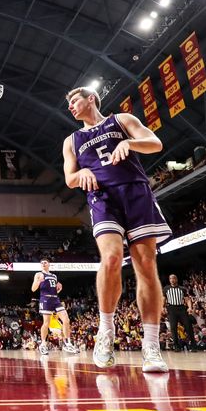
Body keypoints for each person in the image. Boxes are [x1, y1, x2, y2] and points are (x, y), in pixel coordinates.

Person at [62, 87, 172, 373]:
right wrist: (80, 175)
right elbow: (70, 178)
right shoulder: (71, 140)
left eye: (74, 100)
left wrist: (132, 145)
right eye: (69, 104)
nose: (71, 106)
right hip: (102, 198)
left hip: (136, 192)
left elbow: (155, 142)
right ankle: (106, 330)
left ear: (91, 99)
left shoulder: (121, 120)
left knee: (146, 264)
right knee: (111, 258)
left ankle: (151, 346)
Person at [31, 259, 79, 355]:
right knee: (46, 323)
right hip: (45, 299)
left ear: (49, 264)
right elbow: (33, 289)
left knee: (66, 320)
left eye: (45, 262)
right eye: (42, 263)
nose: (43, 264)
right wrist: (38, 281)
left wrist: (59, 289)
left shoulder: (54, 276)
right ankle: (43, 344)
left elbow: (53, 291)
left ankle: (68, 343)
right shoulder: (38, 274)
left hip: (55, 299)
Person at [162, 274, 194, 351]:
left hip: (181, 308)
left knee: (188, 326)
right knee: (173, 327)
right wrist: (162, 307)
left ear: (176, 279)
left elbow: (187, 299)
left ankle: (192, 345)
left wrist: (190, 307)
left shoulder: (182, 288)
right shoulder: (166, 288)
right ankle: (176, 346)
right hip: (171, 308)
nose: (172, 280)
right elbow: (163, 299)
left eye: (173, 278)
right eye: (170, 278)